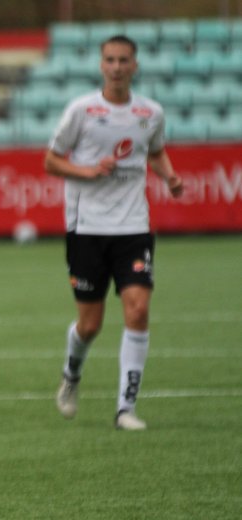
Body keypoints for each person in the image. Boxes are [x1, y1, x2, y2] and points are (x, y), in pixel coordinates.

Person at [45, 34, 184, 430]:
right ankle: (71, 374)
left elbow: (154, 151)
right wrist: (86, 171)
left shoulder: (150, 112)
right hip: (86, 228)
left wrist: (170, 177)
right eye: (110, 59)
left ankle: (126, 408)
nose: (117, 66)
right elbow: (51, 161)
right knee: (90, 324)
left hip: (133, 226)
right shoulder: (82, 110)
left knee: (138, 310)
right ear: (101, 65)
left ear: (135, 66)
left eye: (124, 60)